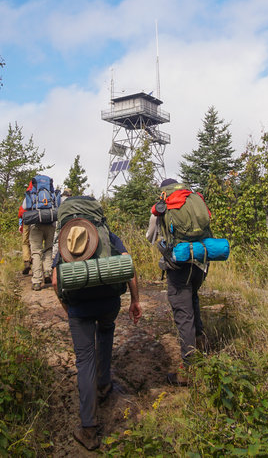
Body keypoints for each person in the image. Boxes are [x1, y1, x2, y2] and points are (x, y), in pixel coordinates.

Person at [52, 196, 141, 451]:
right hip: (109, 302)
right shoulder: (106, 235)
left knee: (84, 360)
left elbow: (57, 282)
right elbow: (129, 265)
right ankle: (104, 384)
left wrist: (68, 309)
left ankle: (89, 429)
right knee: (105, 331)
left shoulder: (65, 239)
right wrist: (135, 300)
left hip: (80, 305)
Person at [146, 178, 209, 385]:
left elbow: (150, 236)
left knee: (183, 313)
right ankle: (202, 348)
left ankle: (189, 371)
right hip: (201, 262)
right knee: (193, 298)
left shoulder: (162, 207)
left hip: (179, 265)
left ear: (163, 192)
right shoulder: (194, 198)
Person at [18, 175, 59, 291]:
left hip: (36, 225)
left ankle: (36, 281)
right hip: (50, 224)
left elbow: (25, 206)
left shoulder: (32, 193)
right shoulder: (51, 193)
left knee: (36, 252)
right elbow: (58, 206)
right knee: (48, 249)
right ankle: (47, 272)